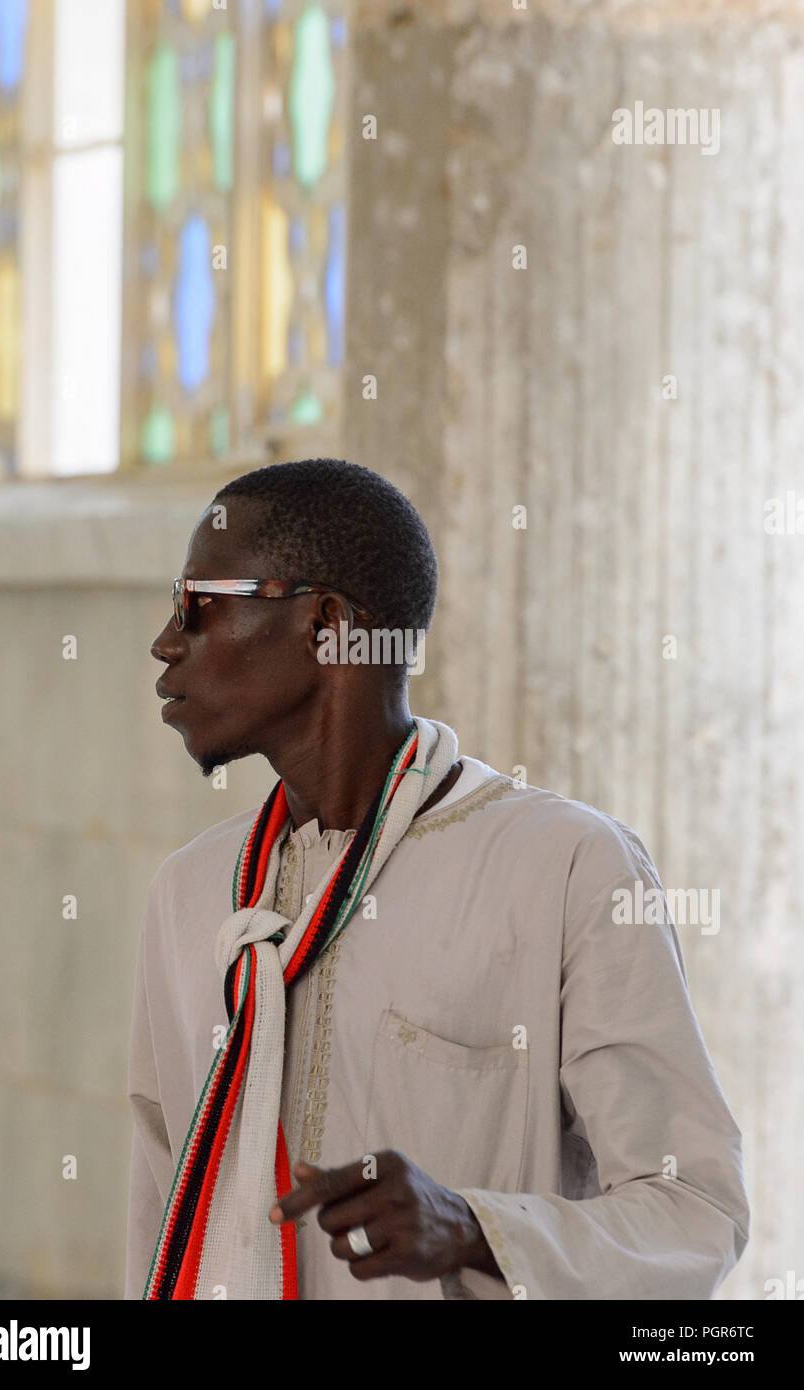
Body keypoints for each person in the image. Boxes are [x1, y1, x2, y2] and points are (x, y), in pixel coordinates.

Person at [125, 457, 748, 1300]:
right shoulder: (189, 896)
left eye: (199, 603)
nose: (166, 643)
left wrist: (474, 1227)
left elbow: (693, 1213)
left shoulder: (562, 868)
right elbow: (159, 1221)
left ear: (329, 626)